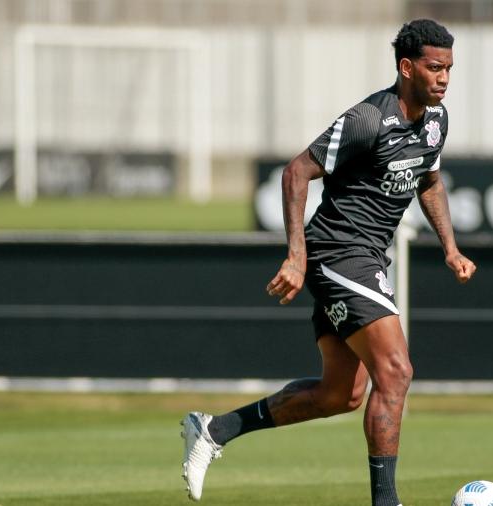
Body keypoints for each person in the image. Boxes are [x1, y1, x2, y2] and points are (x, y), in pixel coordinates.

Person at [180, 19, 476, 505]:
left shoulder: (436, 121)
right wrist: (296, 256)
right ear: (407, 67)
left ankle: (214, 429)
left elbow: (429, 181)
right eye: (434, 67)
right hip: (338, 253)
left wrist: (450, 247)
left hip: (366, 259)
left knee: (341, 395)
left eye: (449, 69)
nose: (444, 78)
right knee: (397, 371)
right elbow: (297, 170)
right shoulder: (368, 119)